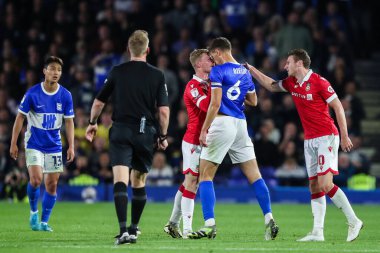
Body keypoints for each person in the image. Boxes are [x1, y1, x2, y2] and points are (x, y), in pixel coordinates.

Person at [244, 48, 363, 242]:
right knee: (314, 186)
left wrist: (344, 135)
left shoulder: (319, 81)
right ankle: (317, 232)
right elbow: (272, 85)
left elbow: (338, 107)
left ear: (299, 63)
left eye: (288, 62)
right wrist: (252, 69)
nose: (285, 66)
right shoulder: (292, 83)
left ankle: (353, 220)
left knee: (325, 184)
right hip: (310, 140)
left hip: (326, 136)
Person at [188, 37, 279, 240]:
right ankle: (269, 218)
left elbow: (214, 103)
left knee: (205, 175)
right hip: (240, 125)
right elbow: (254, 101)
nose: (212, 61)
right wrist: (235, 98)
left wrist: (204, 130)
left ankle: (209, 224)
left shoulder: (219, 71)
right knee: (255, 175)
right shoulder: (245, 71)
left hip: (222, 124)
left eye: (213, 56)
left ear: (219, 52)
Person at [85, 30, 170, 245]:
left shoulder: (117, 71)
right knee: (139, 181)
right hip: (145, 132)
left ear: (128, 50)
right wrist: (162, 135)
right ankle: (133, 229)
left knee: (120, 180)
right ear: (148, 50)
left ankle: (123, 230)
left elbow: (98, 103)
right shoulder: (158, 75)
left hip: (121, 130)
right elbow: (164, 112)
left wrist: (93, 123)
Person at [9, 56, 75, 232]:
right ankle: (33, 212)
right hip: (34, 143)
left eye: (59, 70)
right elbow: (20, 118)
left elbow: (69, 122)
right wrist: (13, 143)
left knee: (52, 185)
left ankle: (44, 222)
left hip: (54, 145)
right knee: (36, 179)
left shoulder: (66, 95)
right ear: (44, 71)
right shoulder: (32, 93)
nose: (56, 73)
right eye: (52, 69)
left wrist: (71, 145)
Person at [164, 49, 213, 239]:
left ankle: (172, 224)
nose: (212, 61)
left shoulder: (208, 84)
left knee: (189, 183)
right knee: (192, 183)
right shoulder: (192, 86)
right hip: (193, 141)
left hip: (205, 139)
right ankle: (187, 230)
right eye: (208, 59)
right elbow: (206, 106)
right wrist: (220, 87)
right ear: (198, 64)